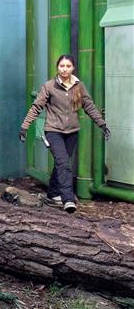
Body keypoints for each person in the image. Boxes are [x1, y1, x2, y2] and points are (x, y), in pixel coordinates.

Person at [19, 54, 110, 214]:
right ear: (57, 67)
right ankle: (68, 199)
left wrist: (101, 123)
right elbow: (36, 107)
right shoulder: (49, 86)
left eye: (68, 66)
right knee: (63, 163)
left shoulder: (78, 86)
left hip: (72, 132)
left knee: (61, 163)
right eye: (62, 66)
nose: (64, 69)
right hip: (53, 131)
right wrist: (25, 126)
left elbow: (89, 106)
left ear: (73, 68)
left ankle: (53, 193)